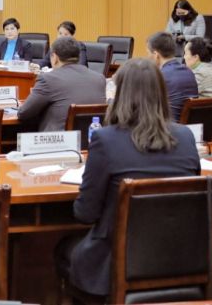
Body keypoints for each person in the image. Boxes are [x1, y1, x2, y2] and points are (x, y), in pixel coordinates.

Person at [56, 58, 200, 297]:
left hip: (116, 262)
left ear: (120, 95)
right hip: (179, 258)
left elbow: (85, 214)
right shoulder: (185, 137)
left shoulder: (106, 140)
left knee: (63, 247)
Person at [18, 37, 107, 132]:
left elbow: (23, 113)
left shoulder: (48, 79)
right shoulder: (99, 78)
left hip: (58, 140)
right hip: (91, 139)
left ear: (55, 58)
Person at [146, 32, 198, 121]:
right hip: (188, 127)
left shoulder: (159, 75)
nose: (147, 56)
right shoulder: (189, 72)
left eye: (148, 53)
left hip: (166, 126)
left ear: (156, 55)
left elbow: (144, 106)